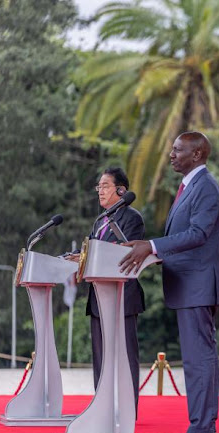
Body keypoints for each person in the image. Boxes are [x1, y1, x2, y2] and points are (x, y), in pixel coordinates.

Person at [119, 132, 219, 433]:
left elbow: (198, 234)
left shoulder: (206, 187)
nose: (171, 154)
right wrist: (152, 255)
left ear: (196, 155)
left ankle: (203, 429)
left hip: (199, 284)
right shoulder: (190, 187)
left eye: (178, 150)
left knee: (200, 358)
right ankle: (199, 427)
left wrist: (151, 246)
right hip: (188, 284)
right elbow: (186, 237)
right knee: (195, 359)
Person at [68, 167, 145, 411]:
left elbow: (123, 253)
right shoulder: (100, 220)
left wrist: (90, 257)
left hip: (123, 296)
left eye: (105, 186)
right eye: (98, 187)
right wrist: (78, 258)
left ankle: (127, 408)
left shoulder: (132, 218)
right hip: (98, 297)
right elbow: (93, 252)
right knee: (100, 356)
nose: (99, 191)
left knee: (125, 354)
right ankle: (102, 407)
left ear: (121, 190)